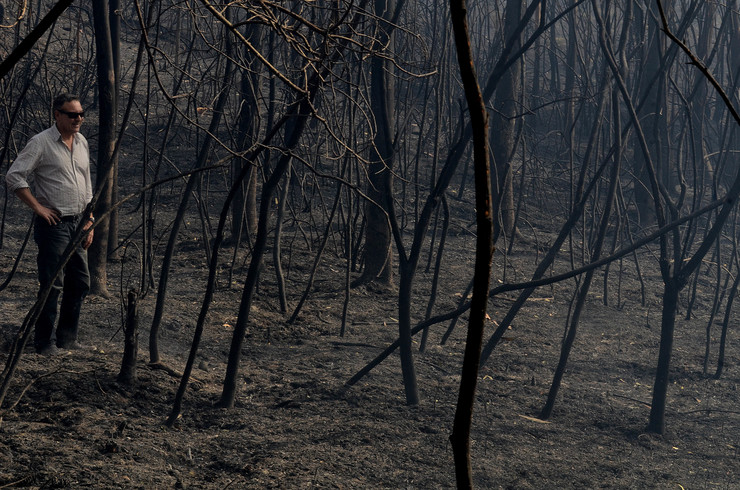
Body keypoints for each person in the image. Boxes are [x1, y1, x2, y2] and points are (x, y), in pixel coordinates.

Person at [5, 93, 95, 355]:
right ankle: (44, 343)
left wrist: (90, 220)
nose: (78, 119)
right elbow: (14, 176)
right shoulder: (40, 143)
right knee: (52, 284)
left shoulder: (82, 142)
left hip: (79, 224)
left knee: (80, 282)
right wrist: (37, 207)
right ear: (57, 115)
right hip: (53, 225)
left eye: (80, 114)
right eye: (72, 114)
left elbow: (87, 185)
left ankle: (68, 338)